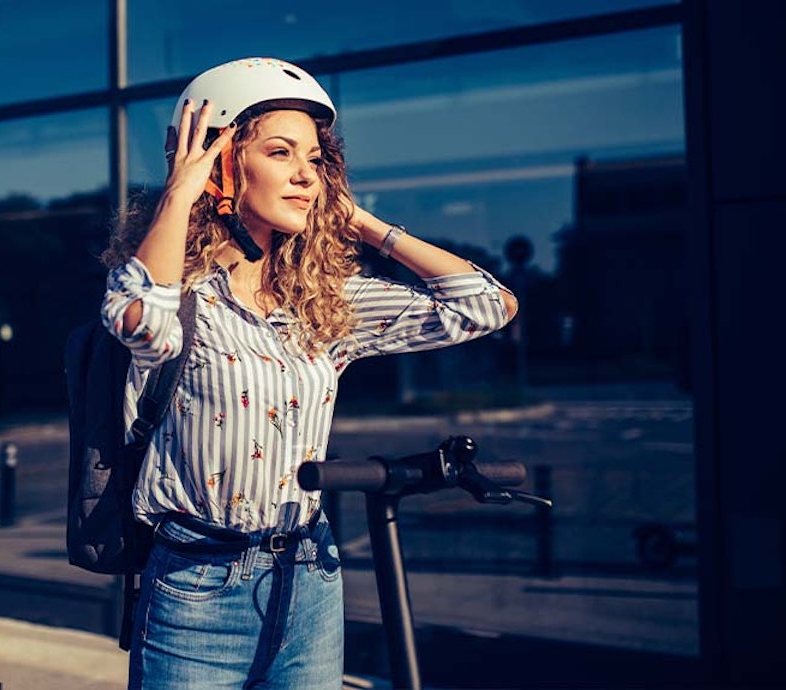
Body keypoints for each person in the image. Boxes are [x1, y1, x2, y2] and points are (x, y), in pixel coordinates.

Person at [100, 57, 518, 690]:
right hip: (196, 583)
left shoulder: (322, 304)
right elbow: (140, 322)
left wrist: (366, 225)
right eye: (280, 152)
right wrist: (182, 193)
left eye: (316, 158)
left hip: (311, 576)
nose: (305, 174)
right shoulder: (181, 296)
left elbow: (486, 305)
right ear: (223, 165)